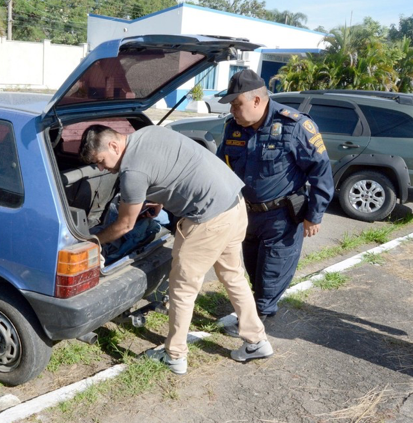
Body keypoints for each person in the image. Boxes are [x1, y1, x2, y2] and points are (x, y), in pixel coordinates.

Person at [80, 124, 274, 375]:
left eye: (100, 161)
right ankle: (257, 341)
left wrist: (94, 241)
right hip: (233, 204)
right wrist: (159, 200)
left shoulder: (132, 171)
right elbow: (175, 166)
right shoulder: (150, 132)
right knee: (233, 275)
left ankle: (174, 356)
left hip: (208, 220)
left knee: (182, 289)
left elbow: (125, 224)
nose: (101, 168)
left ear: (114, 146)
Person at [216, 69, 334, 336]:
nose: (233, 111)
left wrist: (314, 214)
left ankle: (256, 325)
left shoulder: (295, 126)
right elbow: (221, 166)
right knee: (253, 267)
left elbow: (320, 171)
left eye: (237, 104)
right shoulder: (233, 127)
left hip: (281, 216)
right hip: (246, 215)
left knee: (272, 271)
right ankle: (257, 308)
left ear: (257, 100)